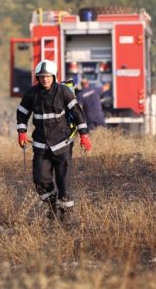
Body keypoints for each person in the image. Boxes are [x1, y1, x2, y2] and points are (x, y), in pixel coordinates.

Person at [16, 60, 92, 221]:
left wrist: (84, 135)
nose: (45, 79)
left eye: (48, 76)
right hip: (41, 145)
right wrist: (21, 132)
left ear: (54, 76)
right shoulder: (32, 94)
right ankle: (52, 205)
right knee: (40, 180)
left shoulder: (64, 92)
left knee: (63, 181)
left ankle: (66, 216)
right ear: (38, 78)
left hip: (62, 144)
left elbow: (77, 113)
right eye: (42, 76)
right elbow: (22, 113)